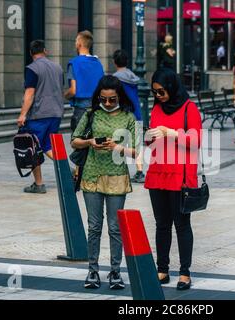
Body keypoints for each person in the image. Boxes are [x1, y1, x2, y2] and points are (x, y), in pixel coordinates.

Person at [71, 75, 137, 290]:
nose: (107, 103)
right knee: (94, 226)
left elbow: (136, 150)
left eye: (112, 100)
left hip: (117, 176)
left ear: (120, 98)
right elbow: (74, 140)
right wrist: (90, 142)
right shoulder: (91, 113)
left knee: (115, 228)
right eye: (104, 99)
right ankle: (93, 270)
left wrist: (116, 147)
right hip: (92, 175)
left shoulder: (128, 117)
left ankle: (116, 271)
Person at [145, 68, 202, 291]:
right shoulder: (157, 108)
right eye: (155, 93)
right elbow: (151, 141)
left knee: (181, 225)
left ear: (171, 87)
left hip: (180, 176)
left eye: (161, 92)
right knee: (161, 225)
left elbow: (196, 140)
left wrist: (170, 132)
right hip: (158, 172)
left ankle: (185, 272)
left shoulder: (190, 108)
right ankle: (162, 269)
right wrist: (149, 136)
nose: (158, 96)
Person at [17, 40, 64, 194]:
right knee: (48, 146)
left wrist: (23, 114)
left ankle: (39, 184)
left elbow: (30, 93)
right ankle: (66, 169)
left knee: (33, 147)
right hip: (56, 113)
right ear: (45, 50)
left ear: (31, 53)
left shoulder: (32, 69)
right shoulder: (58, 68)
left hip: (38, 115)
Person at [112, 49, 145, 183]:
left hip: (123, 114)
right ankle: (140, 171)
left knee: (119, 142)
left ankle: (119, 171)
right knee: (137, 143)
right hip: (136, 112)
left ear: (114, 62)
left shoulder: (115, 78)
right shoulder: (133, 77)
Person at [65, 30, 104, 133]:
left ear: (79, 44)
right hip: (97, 110)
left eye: (76, 41)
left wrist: (64, 94)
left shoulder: (74, 63)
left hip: (81, 110)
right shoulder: (98, 63)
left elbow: (73, 91)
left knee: (79, 143)